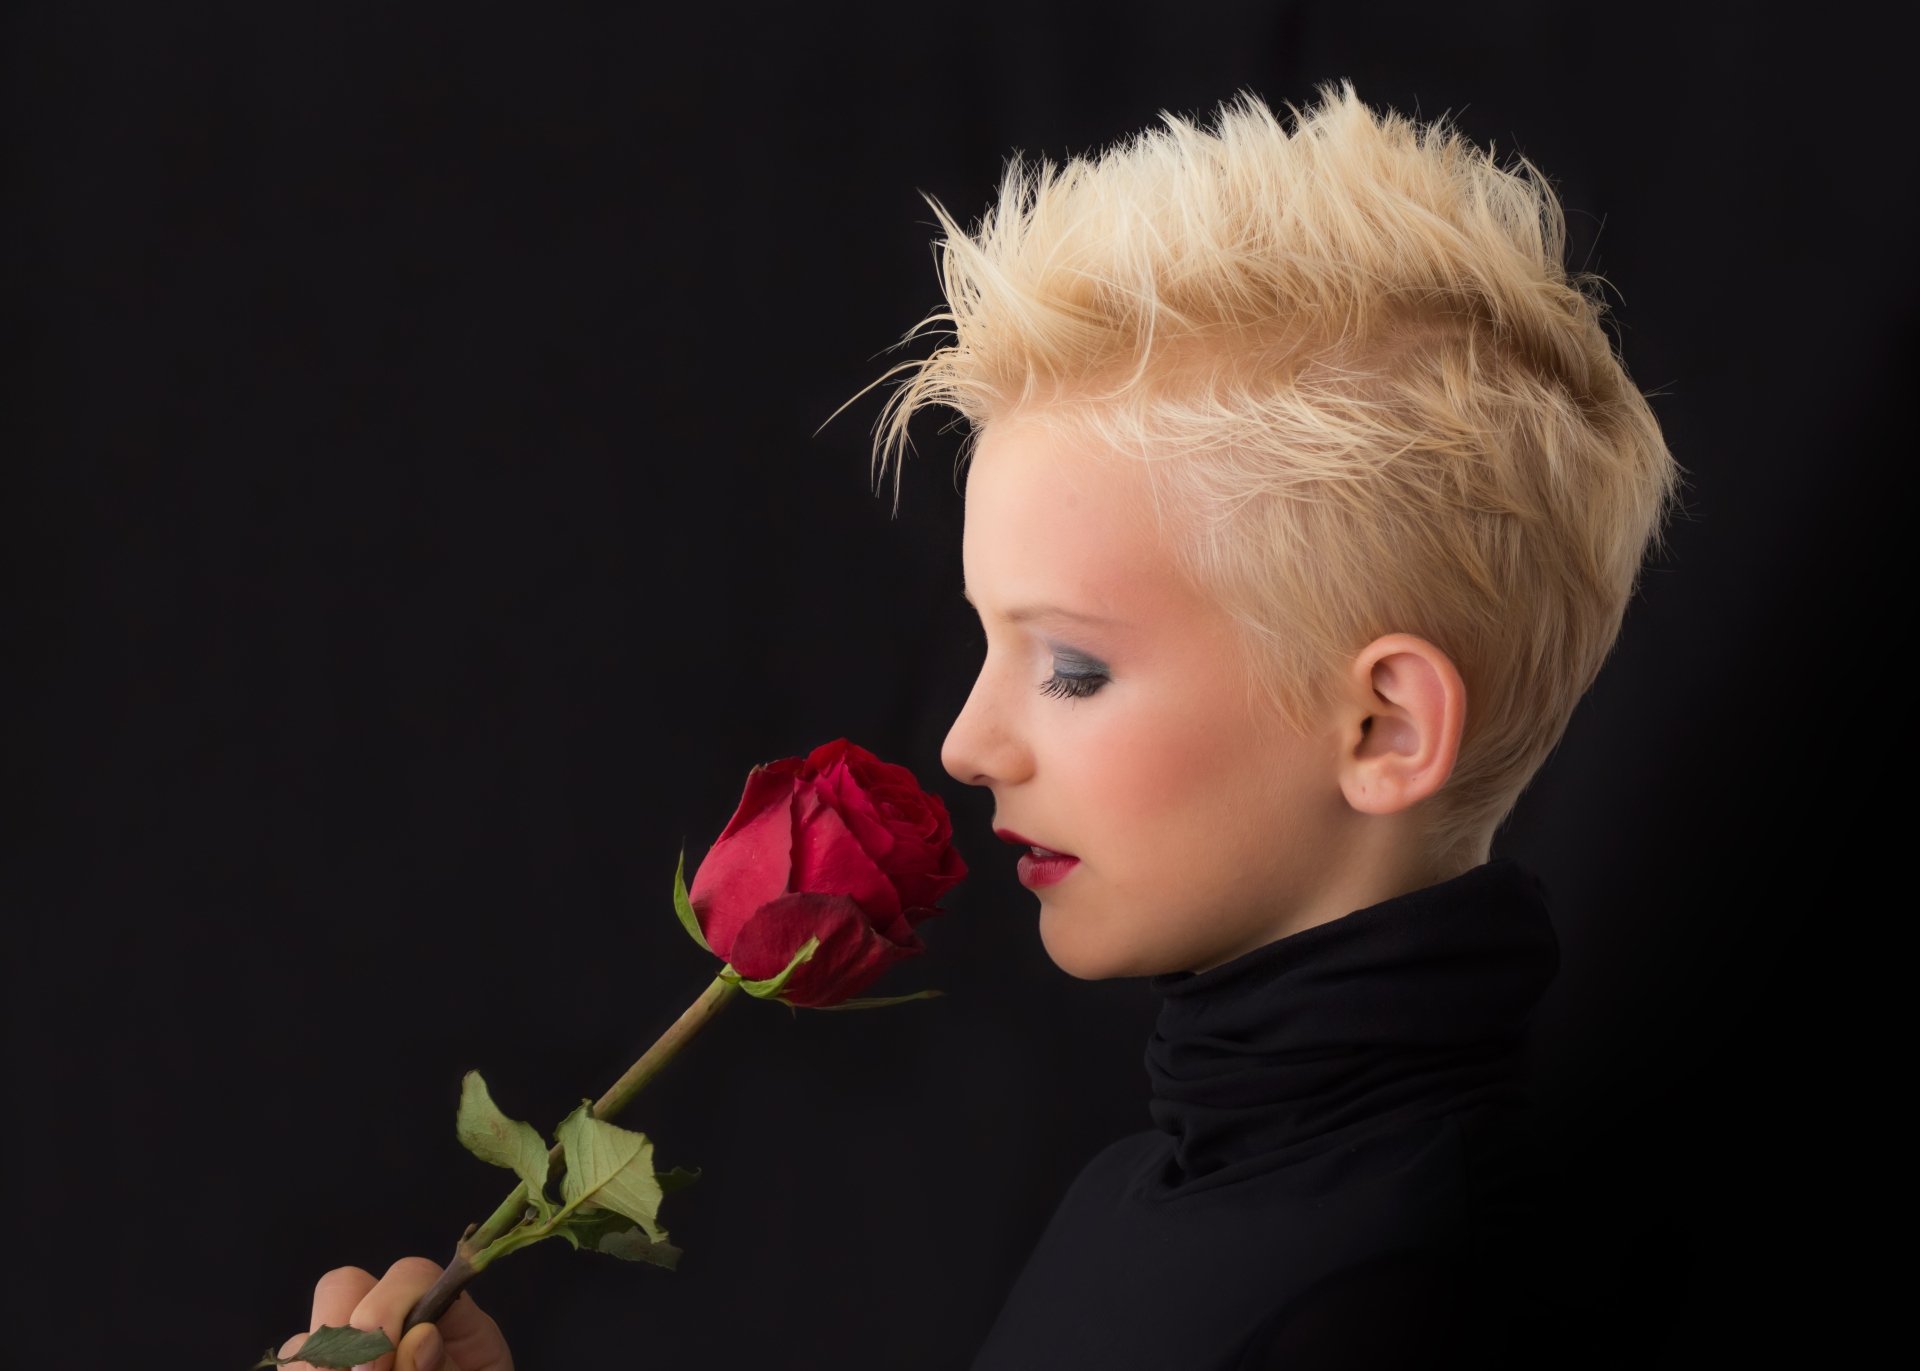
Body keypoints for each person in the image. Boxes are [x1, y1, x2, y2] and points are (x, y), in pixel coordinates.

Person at [274, 80, 1680, 1369]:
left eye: (1069, 665)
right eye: (988, 643)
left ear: (1382, 727)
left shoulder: (1387, 1301)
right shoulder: (1138, 1201)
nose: (964, 743)